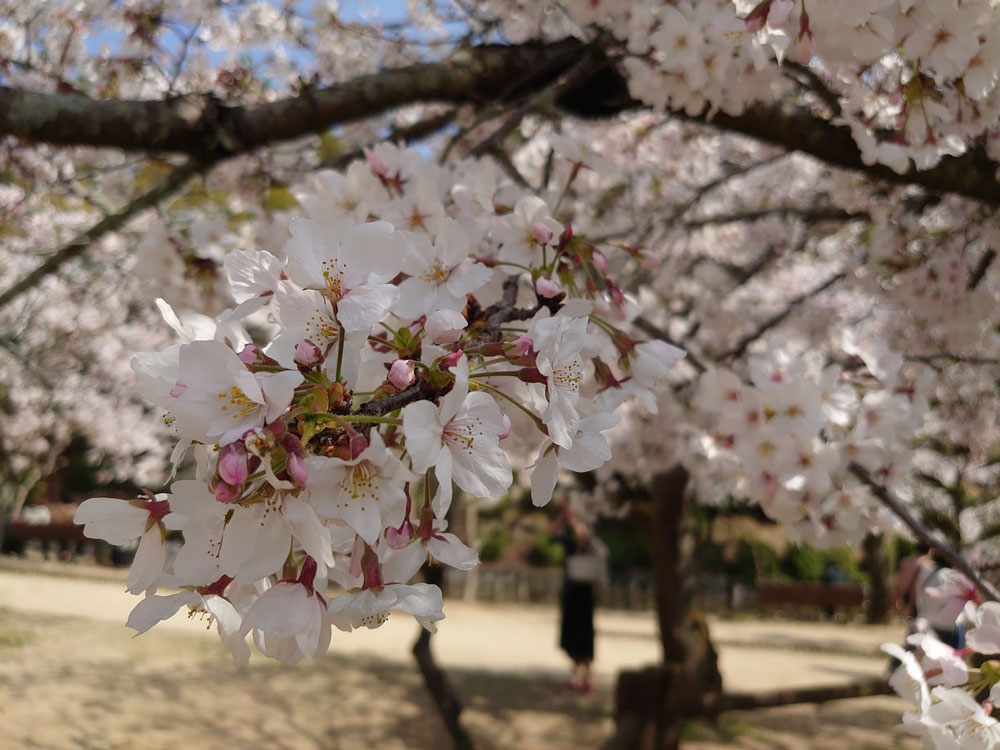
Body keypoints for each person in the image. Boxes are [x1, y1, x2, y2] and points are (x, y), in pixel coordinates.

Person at [551, 497, 608, 693]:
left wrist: (573, 519)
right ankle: (575, 674)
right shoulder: (570, 545)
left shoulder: (595, 548)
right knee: (572, 636)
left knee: (585, 635)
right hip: (572, 592)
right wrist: (564, 515)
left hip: (586, 593)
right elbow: (554, 532)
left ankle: (587, 675)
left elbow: (583, 535)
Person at [892, 544, 965, 648]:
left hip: (921, 612)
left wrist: (897, 603)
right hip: (944, 622)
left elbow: (900, 586)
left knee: (913, 642)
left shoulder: (909, 563)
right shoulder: (928, 566)